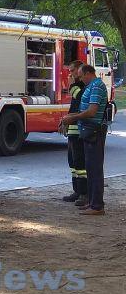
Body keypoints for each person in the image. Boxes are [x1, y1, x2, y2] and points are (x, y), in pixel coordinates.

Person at [61, 65, 108, 215]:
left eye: (81, 76)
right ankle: (92, 202)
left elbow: (92, 111)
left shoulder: (96, 86)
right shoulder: (90, 86)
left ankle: (97, 206)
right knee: (90, 169)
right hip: (88, 132)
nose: (80, 79)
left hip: (94, 131)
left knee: (95, 170)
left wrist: (73, 117)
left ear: (88, 73)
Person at [61, 60, 87, 206]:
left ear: (80, 70)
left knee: (80, 163)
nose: (70, 73)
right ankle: (77, 191)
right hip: (72, 129)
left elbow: (80, 100)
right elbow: (73, 107)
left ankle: (84, 193)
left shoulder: (82, 86)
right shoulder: (77, 85)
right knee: (72, 162)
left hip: (79, 130)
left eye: (72, 70)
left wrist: (71, 85)